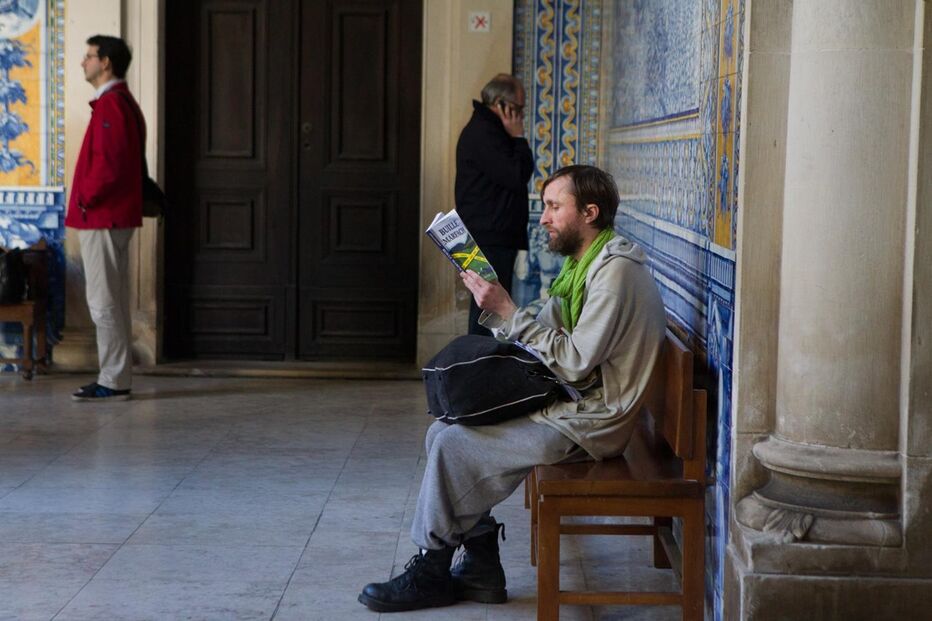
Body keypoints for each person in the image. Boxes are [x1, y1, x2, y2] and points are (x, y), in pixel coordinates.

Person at [357, 165, 668, 613]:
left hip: (595, 421)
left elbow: (577, 363)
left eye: (555, 207)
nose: (543, 218)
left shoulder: (614, 274)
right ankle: (481, 568)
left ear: (590, 213)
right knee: (444, 429)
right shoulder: (586, 266)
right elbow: (548, 334)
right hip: (573, 402)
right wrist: (500, 306)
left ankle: (431, 568)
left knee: (454, 447)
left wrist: (509, 311)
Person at [66, 35, 145, 402]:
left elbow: (109, 168)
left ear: (106, 62)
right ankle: (116, 376)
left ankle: (113, 380)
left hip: (102, 217)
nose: (84, 62)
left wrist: (84, 200)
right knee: (111, 299)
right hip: (107, 216)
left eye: (89, 56)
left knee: (103, 302)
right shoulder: (118, 103)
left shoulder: (113, 106)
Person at [455, 73, 534, 336]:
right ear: (502, 104)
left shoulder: (487, 130)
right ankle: (478, 370)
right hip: (489, 238)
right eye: (519, 109)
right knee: (487, 310)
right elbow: (516, 175)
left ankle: (482, 369)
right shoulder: (485, 133)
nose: (520, 116)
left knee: (488, 308)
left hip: (491, 236)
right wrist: (519, 138)